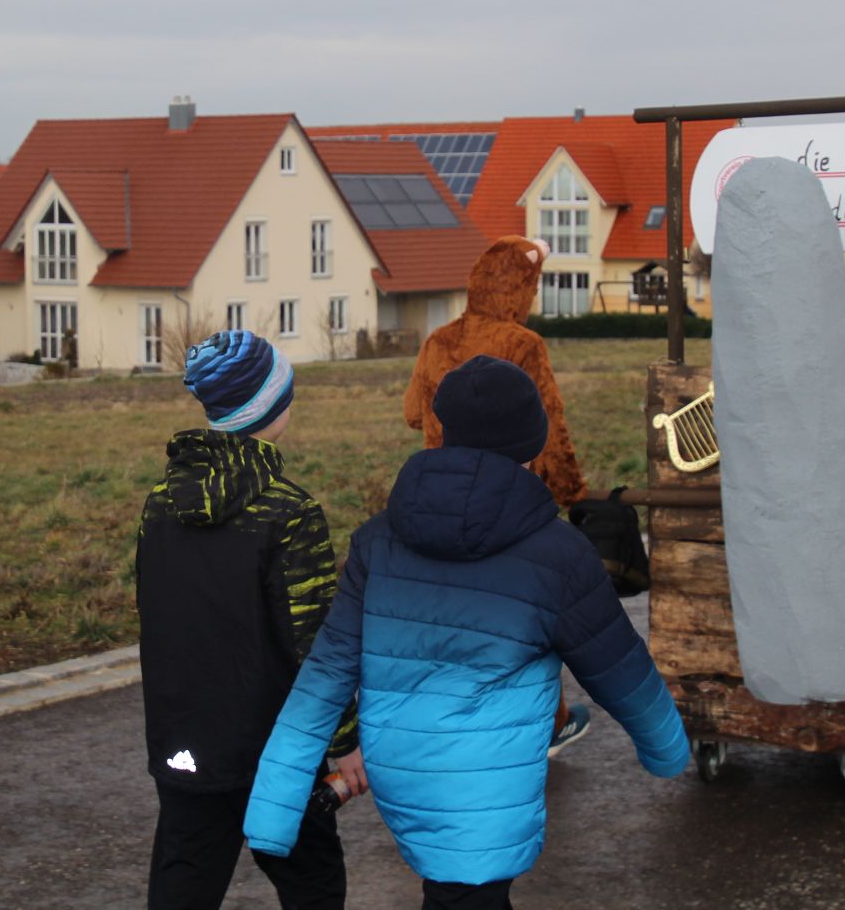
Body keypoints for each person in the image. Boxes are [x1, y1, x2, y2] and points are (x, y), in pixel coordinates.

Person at [245, 356, 689, 908]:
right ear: (532, 444)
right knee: (467, 896)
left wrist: (273, 807)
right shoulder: (557, 554)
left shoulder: (377, 541)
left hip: (401, 771)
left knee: (462, 895)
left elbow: (326, 673)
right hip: (487, 783)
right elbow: (620, 669)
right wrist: (667, 749)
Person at [136, 330, 362, 909]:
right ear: (270, 405)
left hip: (186, 737)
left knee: (183, 884)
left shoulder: (161, 502)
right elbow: (315, 648)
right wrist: (347, 741)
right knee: (313, 883)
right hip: (279, 746)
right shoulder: (290, 512)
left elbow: (158, 622)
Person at [402, 235, 594, 752]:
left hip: (440, 499)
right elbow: (551, 427)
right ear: (522, 288)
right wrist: (573, 492)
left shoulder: (437, 341)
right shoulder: (523, 344)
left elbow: (414, 413)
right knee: (522, 616)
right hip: (510, 504)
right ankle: (544, 725)